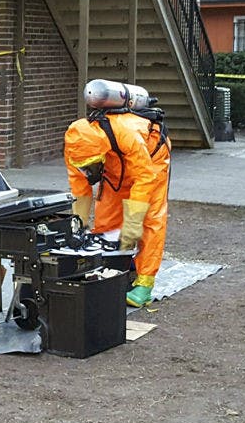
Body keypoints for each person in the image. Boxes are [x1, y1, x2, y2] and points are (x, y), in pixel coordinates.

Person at [63, 106, 171, 307]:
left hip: (151, 158)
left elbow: (144, 179)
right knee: (106, 216)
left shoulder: (127, 135)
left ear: (99, 151)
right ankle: (116, 266)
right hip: (115, 160)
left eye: (92, 165)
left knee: (149, 218)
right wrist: (79, 227)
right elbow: (80, 190)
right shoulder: (76, 149)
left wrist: (132, 223)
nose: (89, 171)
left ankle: (144, 284)